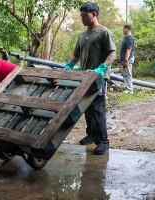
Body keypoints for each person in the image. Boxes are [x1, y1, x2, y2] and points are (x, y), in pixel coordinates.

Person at [64, 2, 116, 155]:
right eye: (81, 16)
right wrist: (69, 64)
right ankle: (91, 135)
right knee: (86, 107)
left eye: (85, 16)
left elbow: (112, 53)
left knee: (97, 108)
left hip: (98, 77)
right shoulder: (82, 35)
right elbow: (76, 55)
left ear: (94, 14)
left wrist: (103, 67)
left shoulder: (104, 33)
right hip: (85, 77)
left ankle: (103, 142)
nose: (83, 19)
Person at [120, 24, 135, 94]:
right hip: (125, 59)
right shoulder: (126, 38)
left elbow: (128, 50)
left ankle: (130, 89)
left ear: (128, 29)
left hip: (128, 59)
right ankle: (128, 88)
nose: (123, 30)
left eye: (124, 29)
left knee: (128, 74)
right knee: (125, 74)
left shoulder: (129, 38)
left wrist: (126, 60)